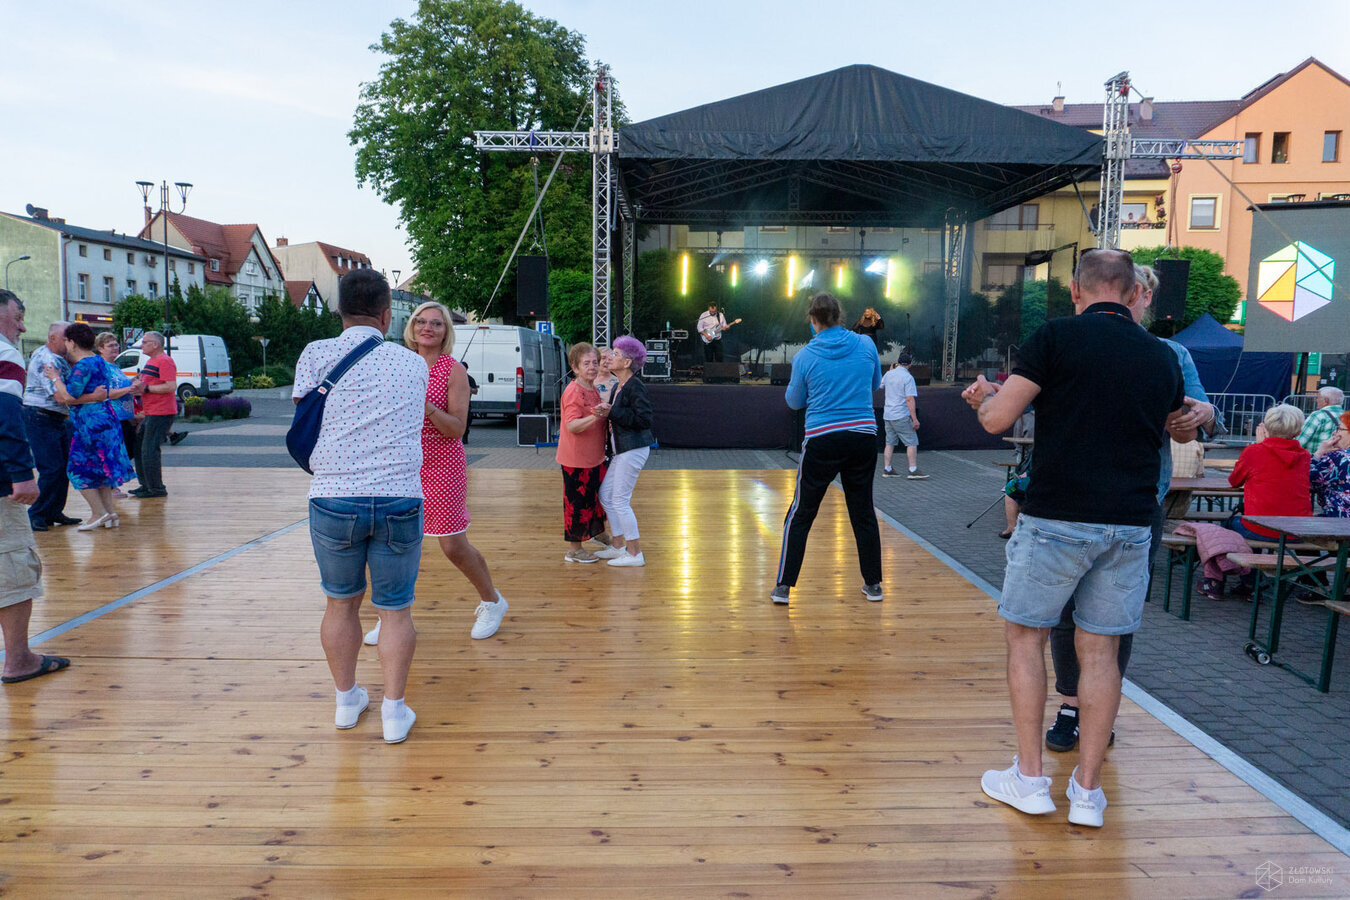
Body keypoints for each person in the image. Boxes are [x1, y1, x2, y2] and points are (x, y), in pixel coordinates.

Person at [962, 248, 1191, 828]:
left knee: (1026, 638)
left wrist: (984, 400)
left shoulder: (1056, 338)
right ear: (1134, 292)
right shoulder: (1162, 356)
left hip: (1057, 517)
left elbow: (998, 420)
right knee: (1102, 652)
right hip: (1131, 522)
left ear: (1075, 290)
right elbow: (1176, 425)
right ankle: (1087, 794)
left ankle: (1030, 780)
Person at [1045, 262, 1216, 753]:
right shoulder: (1070, 342)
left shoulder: (1169, 353)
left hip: (1138, 500)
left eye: (1137, 291)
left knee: (1115, 616)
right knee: (1065, 610)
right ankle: (1072, 704)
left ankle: (1097, 711)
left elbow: (1198, 413)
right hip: (1070, 497)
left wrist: (1204, 414)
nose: (1128, 298)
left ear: (1144, 296)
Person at [293, 269, 428, 744]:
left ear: (339, 311)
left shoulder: (314, 354)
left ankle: (347, 702)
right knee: (395, 611)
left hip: (333, 495)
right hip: (399, 495)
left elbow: (305, 413)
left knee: (340, 604)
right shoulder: (413, 364)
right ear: (388, 315)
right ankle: (394, 712)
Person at [363, 300, 510, 646]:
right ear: (411, 328)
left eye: (436, 323)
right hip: (400, 463)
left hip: (442, 463)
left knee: (452, 545)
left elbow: (457, 428)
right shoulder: (399, 363)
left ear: (446, 332)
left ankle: (492, 601)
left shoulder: (452, 370)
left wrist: (426, 405)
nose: (427, 328)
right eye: (421, 321)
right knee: (390, 543)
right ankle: (390, 616)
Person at [773, 293, 884, 605]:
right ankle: (873, 584)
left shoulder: (804, 357)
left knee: (801, 512)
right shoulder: (866, 345)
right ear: (840, 315)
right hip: (863, 436)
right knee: (863, 511)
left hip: (823, 438)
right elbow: (875, 384)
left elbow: (794, 402)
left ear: (813, 320)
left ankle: (783, 586)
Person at [0, 290, 71, 684]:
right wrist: (20, 472)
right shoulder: (4, 353)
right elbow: (6, 413)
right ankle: (19, 660)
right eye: (17, 317)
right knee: (12, 567)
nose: (23, 327)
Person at [42, 324, 137, 531]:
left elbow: (69, 396)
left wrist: (55, 377)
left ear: (72, 343)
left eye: (67, 341)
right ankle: (109, 513)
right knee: (101, 468)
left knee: (77, 469)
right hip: (107, 419)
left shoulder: (83, 366)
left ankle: (98, 512)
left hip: (90, 424)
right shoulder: (99, 361)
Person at [594, 336, 654, 568]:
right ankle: (619, 546)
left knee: (619, 500)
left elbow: (644, 419)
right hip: (623, 449)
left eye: (616, 354)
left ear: (627, 362)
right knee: (606, 495)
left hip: (633, 449)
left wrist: (612, 412)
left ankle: (634, 552)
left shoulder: (634, 386)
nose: (610, 357)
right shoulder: (620, 385)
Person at [22, 320, 79, 531]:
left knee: (61, 468)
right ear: (53, 338)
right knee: (51, 468)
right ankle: (37, 514)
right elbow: (60, 396)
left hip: (53, 417)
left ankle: (53, 511)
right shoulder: (47, 360)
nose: (70, 343)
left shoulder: (57, 358)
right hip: (41, 416)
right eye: (66, 339)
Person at [558, 343, 610, 563]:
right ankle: (574, 550)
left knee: (594, 500)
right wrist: (596, 416)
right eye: (586, 363)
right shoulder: (574, 392)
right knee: (577, 504)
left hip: (593, 457)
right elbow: (572, 426)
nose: (592, 367)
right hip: (576, 459)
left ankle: (597, 533)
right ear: (575, 367)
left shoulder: (591, 388)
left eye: (595, 362)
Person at [131, 332, 176, 499]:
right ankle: (146, 485)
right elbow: (147, 383)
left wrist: (146, 389)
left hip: (161, 412)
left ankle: (156, 488)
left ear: (155, 344)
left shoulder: (165, 361)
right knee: (140, 448)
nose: (141, 345)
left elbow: (170, 386)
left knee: (149, 450)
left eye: (144, 342)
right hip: (151, 411)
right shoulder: (151, 361)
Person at [94, 332, 139, 479]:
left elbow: (119, 385)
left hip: (124, 417)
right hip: (113, 417)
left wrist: (133, 382)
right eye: (110, 345)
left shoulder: (115, 366)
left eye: (116, 344)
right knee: (115, 455)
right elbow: (104, 392)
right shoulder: (102, 366)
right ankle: (110, 485)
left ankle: (112, 483)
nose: (115, 348)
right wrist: (128, 389)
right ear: (100, 348)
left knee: (128, 451)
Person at [881, 352, 925, 479]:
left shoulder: (889, 374)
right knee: (911, 441)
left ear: (897, 363)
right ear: (910, 365)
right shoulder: (908, 378)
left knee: (889, 442)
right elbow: (909, 399)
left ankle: (887, 468)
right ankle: (913, 469)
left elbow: (880, 385)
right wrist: (914, 419)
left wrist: (890, 372)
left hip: (888, 414)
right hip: (900, 414)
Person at [1309, 412, 1350, 517]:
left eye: (1339, 429)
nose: (1334, 432)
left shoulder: (1337, 458)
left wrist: (1319, 453)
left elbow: (1307, 481)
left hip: (1339, 521)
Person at [1297, 387, 1345, 453]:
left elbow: (1300, 442)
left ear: (1326, 401)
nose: (1316, 400)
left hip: (1315, 457)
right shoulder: (1346, 416)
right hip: (1337, 458)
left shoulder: (1318, 415)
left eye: (1318, 397)